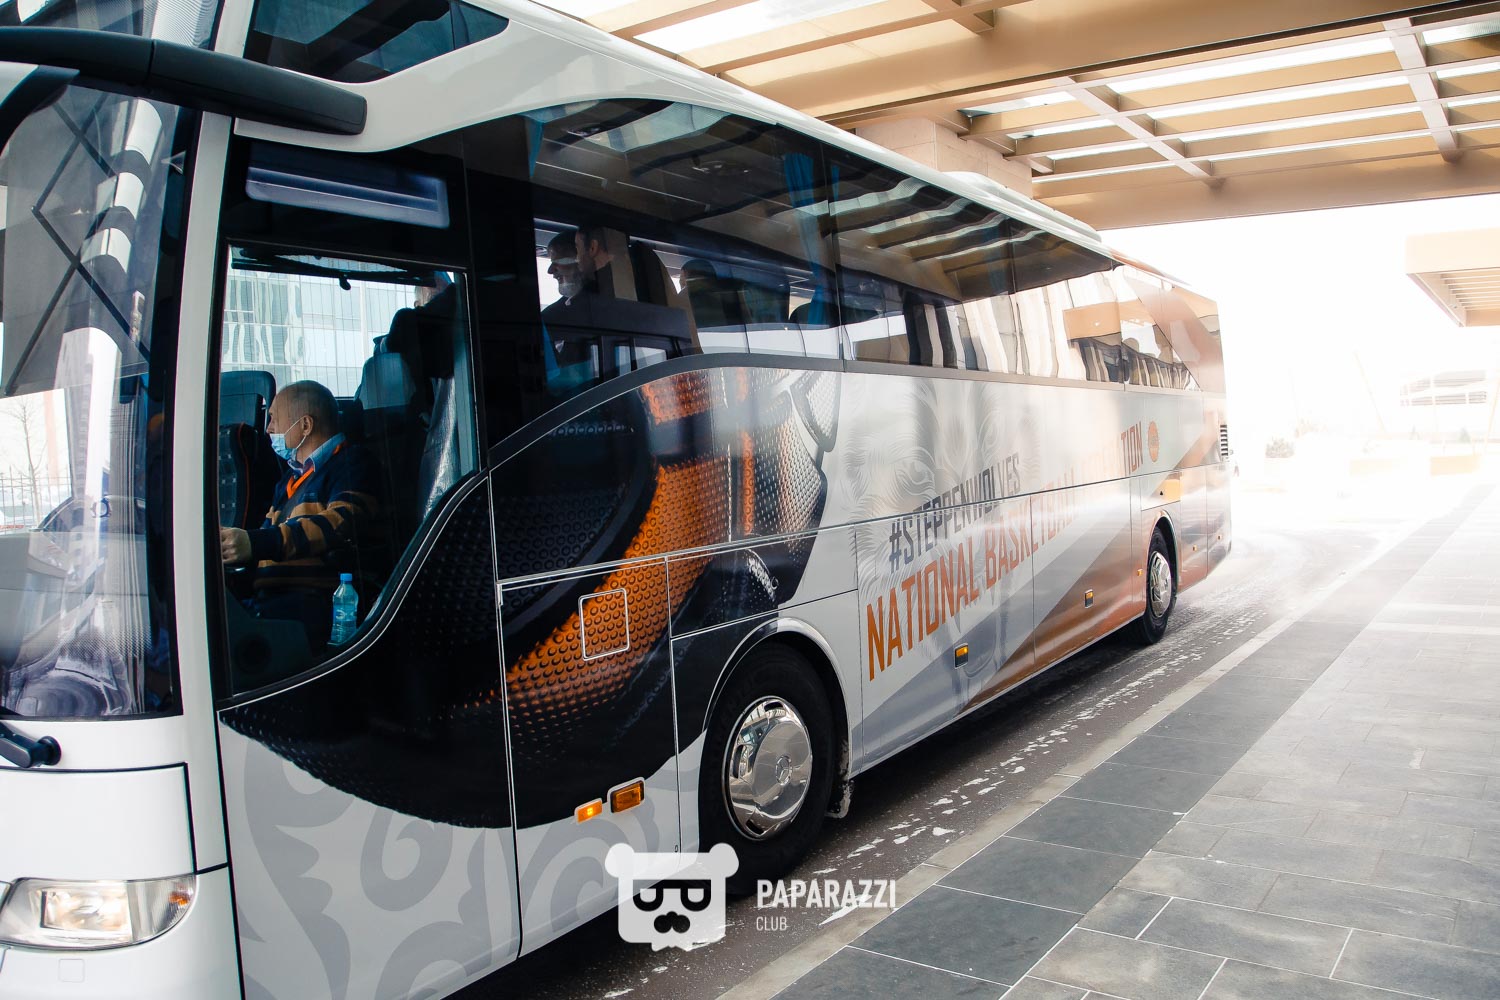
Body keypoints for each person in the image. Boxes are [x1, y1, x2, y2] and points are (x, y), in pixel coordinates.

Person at [219, 380, 381, 649]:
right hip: (273, 605)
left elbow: (340, 524)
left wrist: (254, 543)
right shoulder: (288, 481)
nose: (268, 429)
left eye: (274, 418)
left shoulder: (354, 464)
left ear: (305, 425)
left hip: (317, 608)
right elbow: (266, 543)